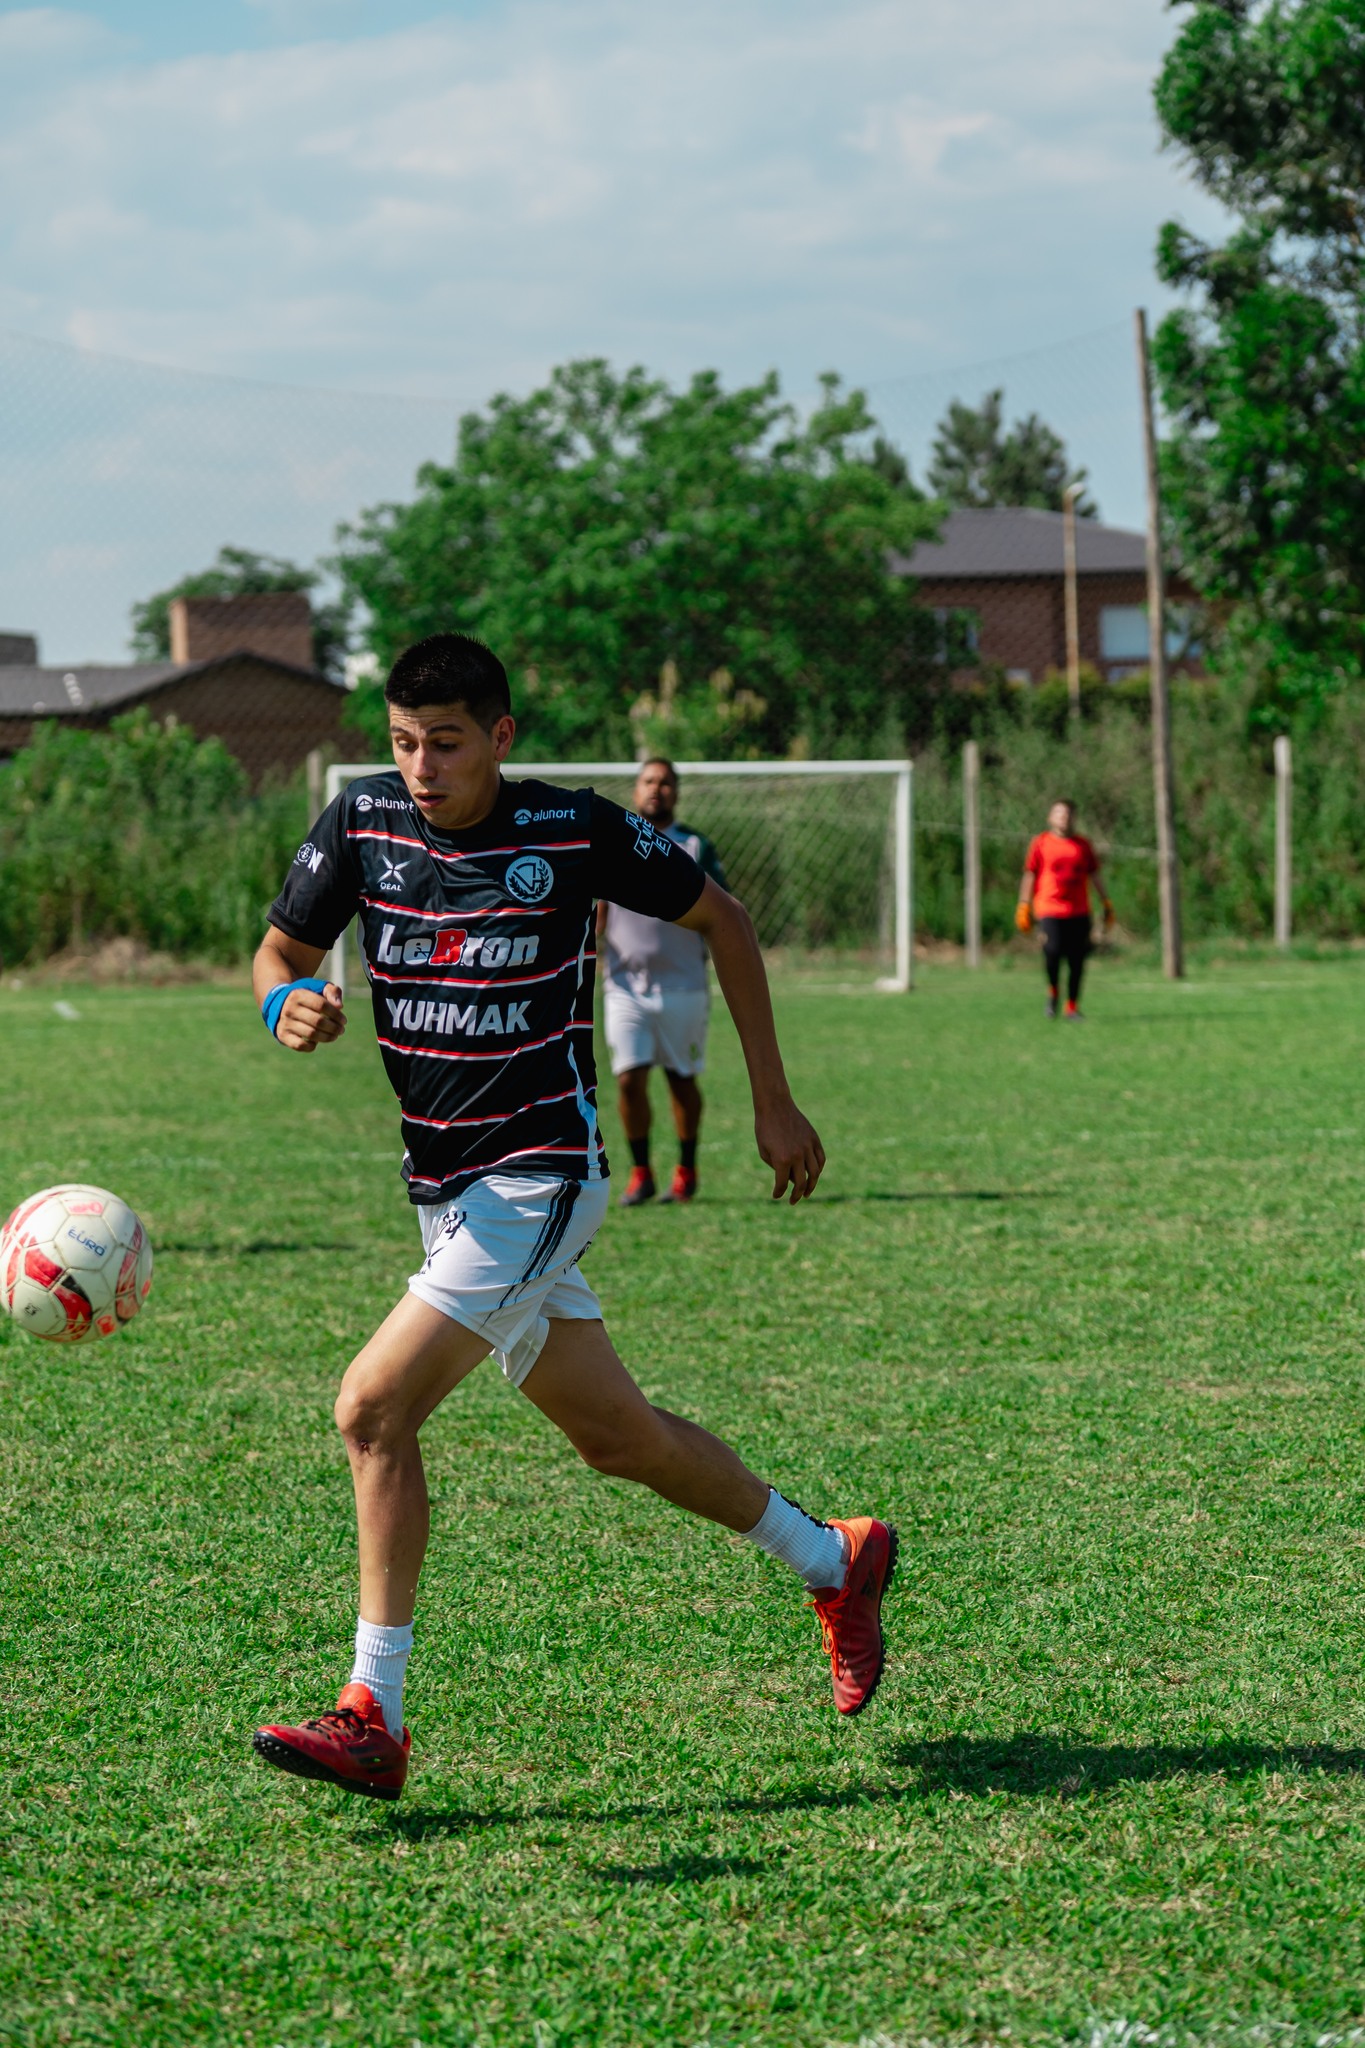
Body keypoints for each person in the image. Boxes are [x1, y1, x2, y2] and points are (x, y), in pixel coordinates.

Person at [249, 633, 896, 1802]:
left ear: (501, 736)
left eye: (446, 742)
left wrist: (775, 1097)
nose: (422, 765)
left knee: (371, 1408)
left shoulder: (574, 831)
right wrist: (286, 1001)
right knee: (619, 1438)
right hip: (442, 1191)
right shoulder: (360, 826)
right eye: (403, 743)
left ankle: (372, 1711)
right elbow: (280, 948)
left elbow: (726, 920)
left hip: (541, 1170)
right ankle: (835, 1557)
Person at [598, 758, 727, 1207]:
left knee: (681, 1079)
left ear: (676, 792)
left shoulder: (695, 846)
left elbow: (724, 915)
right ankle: (641, 1174)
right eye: (649, 782)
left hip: (683, 986)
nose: (657, 789)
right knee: (629, 1080)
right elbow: (598, 909)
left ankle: (686, 1168)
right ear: (636, 790)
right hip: (624, 987)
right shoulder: (613, 844)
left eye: (666, 783)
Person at [1015, 798, 1114, 1019]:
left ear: (1074, 818)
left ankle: (1071, 1007)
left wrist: (1106, 901)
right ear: (1050, 817)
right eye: (1059, 813)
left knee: (1077, 960)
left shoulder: (1083, 845)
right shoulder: (1041, 843)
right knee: (1052, 952)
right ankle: (1053, 992)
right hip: (1050, 908)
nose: (1064, 817)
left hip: (1079, 910)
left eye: (1068, 813)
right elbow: (1030, 874)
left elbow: (1094, 874)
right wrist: (1024, 904)